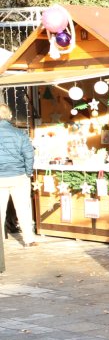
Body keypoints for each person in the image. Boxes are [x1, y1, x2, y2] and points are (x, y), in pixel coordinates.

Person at [0, 103, 38, 247]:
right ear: (9, 116)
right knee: (23, 208)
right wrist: (28, 172)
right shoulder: (19, 133)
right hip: (19, 176)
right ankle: (29, 239)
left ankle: (0, 243)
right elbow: (29, 155)